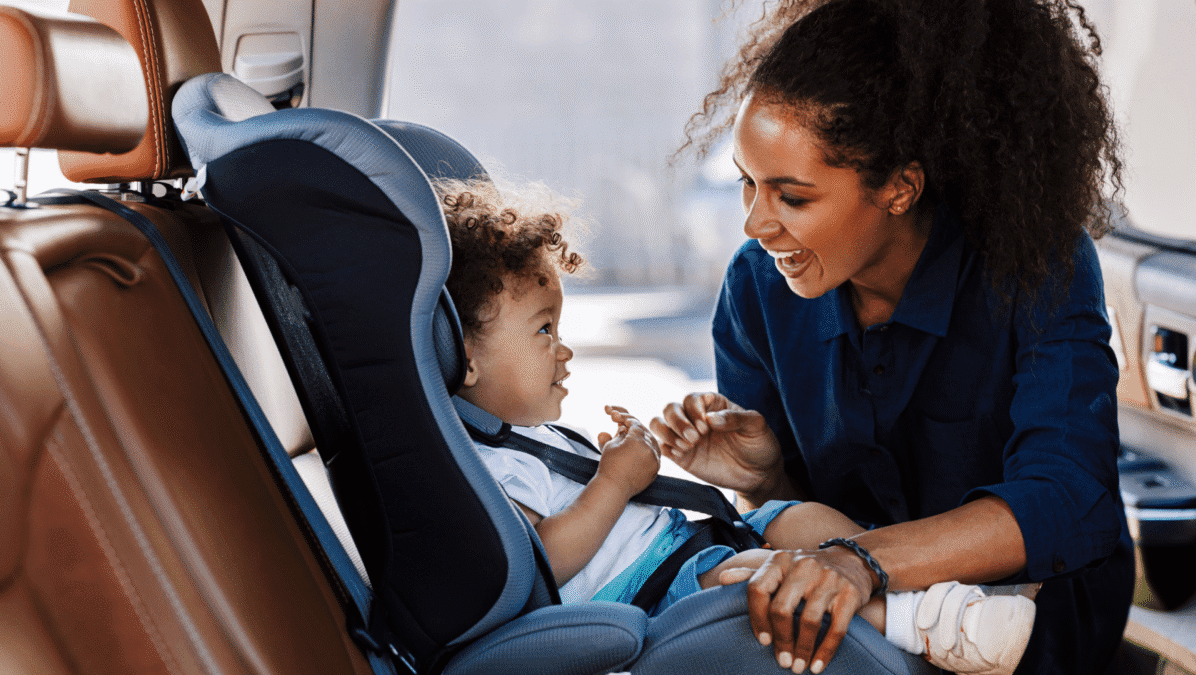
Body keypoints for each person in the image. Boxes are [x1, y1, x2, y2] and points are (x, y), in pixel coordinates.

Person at [651, 0, 1133, 674]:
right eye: (747, 184)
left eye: (792, 196)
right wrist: (764, 479)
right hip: (858, 607)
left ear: (900, 187)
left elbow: (1067, 500)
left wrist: (863, 561)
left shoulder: (1034, 262)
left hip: (1024, 621)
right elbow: (802, 522)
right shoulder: (757, 289)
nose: (756, 224)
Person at [436, 176, 1037, 674]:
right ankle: (928, 626)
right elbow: (544, 562)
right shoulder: (481, 466)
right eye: (544, 332)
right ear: (465, 357)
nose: (563, 351)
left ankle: (931, 592)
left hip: (683, 546)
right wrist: (614, 482)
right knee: (763, 575)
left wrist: (621, 459)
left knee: (792, 518)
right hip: (647, 588)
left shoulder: (531, 440)